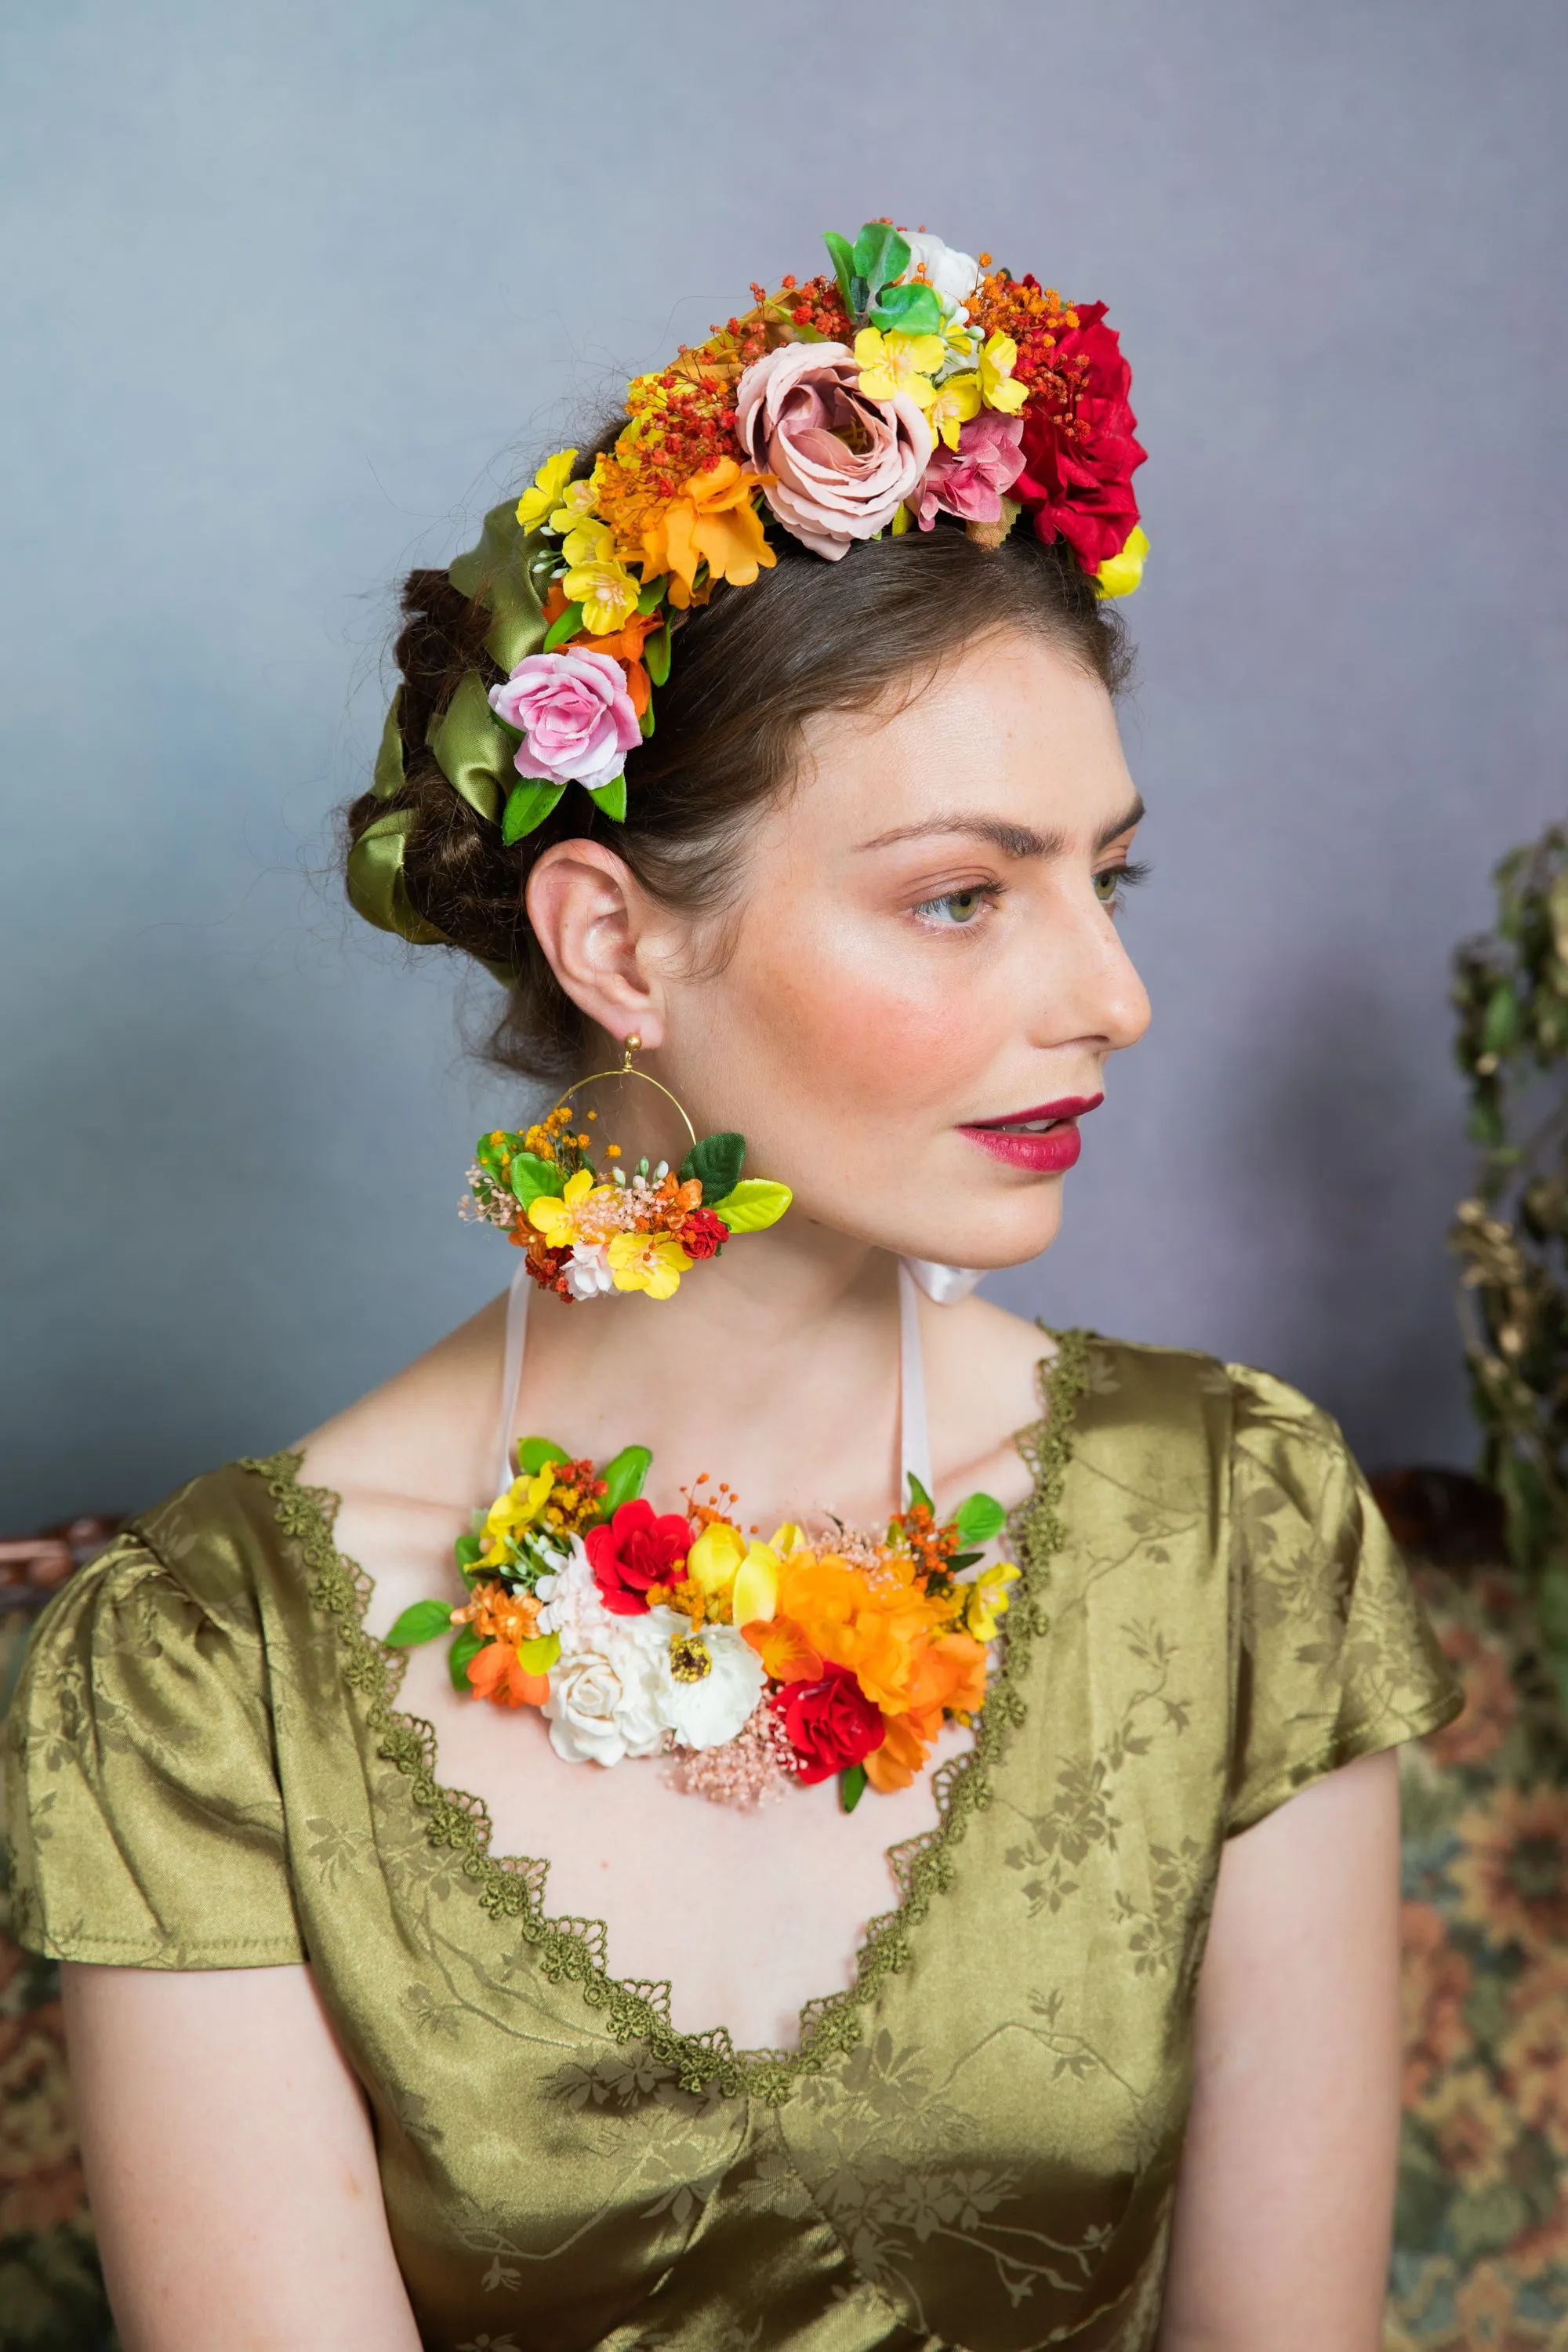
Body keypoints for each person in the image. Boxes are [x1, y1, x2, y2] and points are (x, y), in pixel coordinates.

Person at [4, 223, 1457, 2352]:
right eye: (962, 897)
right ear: (616, 947)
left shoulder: (1237, 1529)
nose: (1115, 995)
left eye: (1106, 876)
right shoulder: (213, 1673)